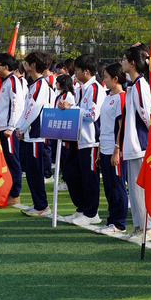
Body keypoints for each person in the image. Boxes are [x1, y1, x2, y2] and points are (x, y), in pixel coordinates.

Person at [59, 53, 106, 226]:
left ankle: (92, 212)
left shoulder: (95, 88)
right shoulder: (81, 89)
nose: (74, 73)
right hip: (77, 139)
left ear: (86, 71)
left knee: (89, 177)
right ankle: (82, 209)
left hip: (90, 140)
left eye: (77, 70)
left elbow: (92, 115)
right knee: (71, 174)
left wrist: (71, 107)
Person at [120, 46, 151, 242]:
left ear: (133, 63)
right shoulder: (133, 85)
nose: (122, 62)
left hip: (140, 145)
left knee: (141, 189)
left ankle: (147, 228)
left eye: (124, 59)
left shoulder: (141, 85)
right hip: (132, 145)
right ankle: (138, 225)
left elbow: (147, 116)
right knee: (134, 190)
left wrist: (150, 141)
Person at [16, 51, 53, 217]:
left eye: (27, 62)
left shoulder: (40, 85)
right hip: (31, 134)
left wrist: (22, 128)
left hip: (37, 135)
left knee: (35, 173)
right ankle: (37, 203)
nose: (24, 64)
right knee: (31, 173)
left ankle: (42, 205)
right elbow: (26, 109)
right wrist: (20, 127)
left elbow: (34, 110)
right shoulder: (34, 84)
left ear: (33, 65)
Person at [96, 62, 128, 234]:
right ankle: (111, 220)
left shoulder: (121, 97)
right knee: (109, 187)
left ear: (116, 79)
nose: (104, 80)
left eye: (106, 77)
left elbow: (121, 127)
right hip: (105, 147)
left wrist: (117, 150)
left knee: (117, 186)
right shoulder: (108, 96)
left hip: (116, 150)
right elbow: (105, 124)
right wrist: (101, 148)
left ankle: (119, 223)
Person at [0, 53, 25, 206]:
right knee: (5, 161)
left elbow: (17, 105)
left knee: (12, 161)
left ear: (6, 66)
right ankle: (5, 191)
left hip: (8, 129)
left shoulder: (13, 82)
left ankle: (15, 193)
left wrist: (11, 127)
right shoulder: (2, 82)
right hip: (1, 126)